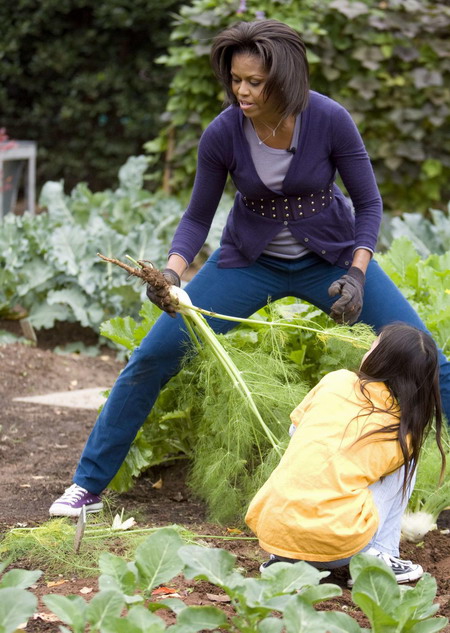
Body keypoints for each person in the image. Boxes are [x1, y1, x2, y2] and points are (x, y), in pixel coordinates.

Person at [49, 19, 450, 517]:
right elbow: (198, 215)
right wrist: (172, 274)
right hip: (248, 262)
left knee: (429, 357)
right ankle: (86, 487)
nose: (242, 90)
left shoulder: (329, 119)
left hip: (330, 262)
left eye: (254, 82)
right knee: (152, 356)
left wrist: (357, 273)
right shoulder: (223, 133)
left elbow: (368, 203)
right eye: (236, 79)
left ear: (284, 79)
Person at [245, 323, 446, 584]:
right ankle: (379, 557)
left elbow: (295, 430)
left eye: (374, 344)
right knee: (406, 462)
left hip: (274, 533)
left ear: (379, 358)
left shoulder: (337, 380)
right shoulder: (402, 428)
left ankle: (284, 561)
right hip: (337, 547)